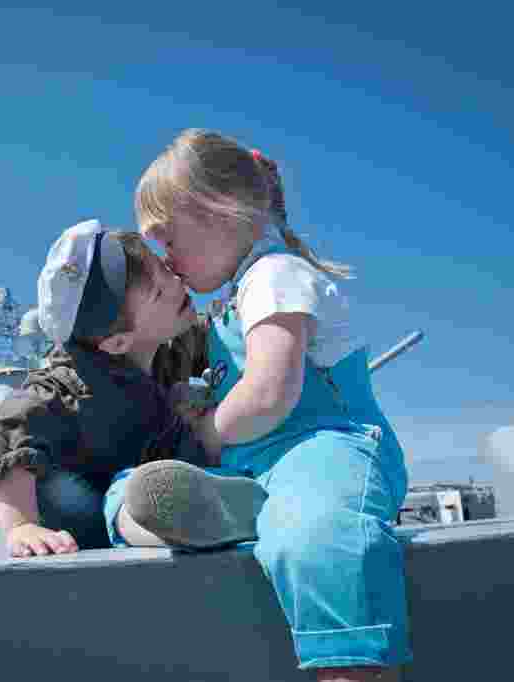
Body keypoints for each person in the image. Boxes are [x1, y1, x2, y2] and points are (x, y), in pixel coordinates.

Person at [105, 129, 411, 682]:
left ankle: (352, 669)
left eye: (169, 241)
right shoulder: (237, 295)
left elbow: (270, 391)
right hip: (261, 463)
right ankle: (238, 509)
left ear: (220, 215)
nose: (167, 262)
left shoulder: (274, 276)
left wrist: (211, 432)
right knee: (133, 483)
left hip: (325, 450)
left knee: (316, 532)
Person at [0, 219, 213, 558]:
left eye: (165, 269)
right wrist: (20, 526)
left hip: (149, 492)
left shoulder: (165, 344)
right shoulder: (71, 385)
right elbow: (7, 431)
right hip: (88, 517)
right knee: (65, 491)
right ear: (116, 343)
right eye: (159, 291)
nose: (176, 283)